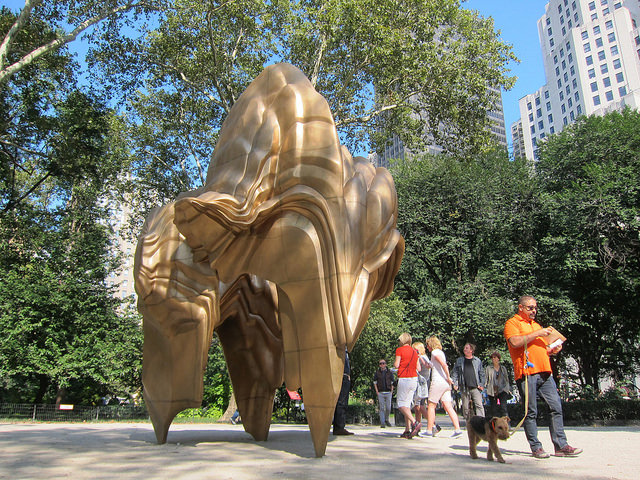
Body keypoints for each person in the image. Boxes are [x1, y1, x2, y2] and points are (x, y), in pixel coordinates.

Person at [504, 295, 582, 458]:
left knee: (556, 407)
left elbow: (540, 349)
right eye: (530, 307)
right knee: (530, 411)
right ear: (520, 308)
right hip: (527, 373)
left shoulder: (536, 325)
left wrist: (552, 350)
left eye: (535, 308)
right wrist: (538, 332)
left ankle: (561, 445)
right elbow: (515, 342)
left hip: (545, 372)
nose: (534, 310)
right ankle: (536, 447)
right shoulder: (513, 323)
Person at [424, 336, 463, 438]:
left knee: (431, 405)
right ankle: (457, 429)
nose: (427, 347)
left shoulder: (434, 352)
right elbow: (434, 365)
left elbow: (444, 365)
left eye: (428, 344)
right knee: (448, 406)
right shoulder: (441, 352)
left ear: (431, 344)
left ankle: (429, 430)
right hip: (445, 384)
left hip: (438, 382)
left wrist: (448, 376)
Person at [393, 332, 422, 439]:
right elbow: (419, 368)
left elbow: (396, 364)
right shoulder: (415, 352)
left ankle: (414, 422)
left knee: (401, 404)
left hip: (404, 378)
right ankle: (407, 429)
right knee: (407, 405)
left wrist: (396, 366)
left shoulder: (399, 350)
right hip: (414, 379)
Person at [451, 342, 486, 420]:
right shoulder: (459, 361)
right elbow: (455, 372)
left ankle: (481, 421)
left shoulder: (477, 361)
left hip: (475, 387)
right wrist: (455, 383)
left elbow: (482, 373)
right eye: (464, 348)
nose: (464, 349)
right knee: (466, 406)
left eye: (466, 348)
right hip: (464, 387)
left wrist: (482, 384)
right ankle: (468, 422)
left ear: (471, 350)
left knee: (479, 405)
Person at [411, 342, 431, 432]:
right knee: (417, 407)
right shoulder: (424, 357)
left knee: (421, 406)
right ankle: (417, 425)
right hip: (424, 383)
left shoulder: (421, 358)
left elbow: (418, 369)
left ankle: (433, 424)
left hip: (423, 384)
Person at [333, 348, 354, 435]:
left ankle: (338, 426)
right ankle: (339, 427)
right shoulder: (341, 350)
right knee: (341, 400)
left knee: (340, 400)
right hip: (342, 374)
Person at [484, 351, 511, 417]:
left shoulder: (503, 368)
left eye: (495, 357)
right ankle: (495, 425)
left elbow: (506, 379)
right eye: (492, 358)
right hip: (492, 391)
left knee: (503, 408)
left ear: (498, 358)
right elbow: (486, 379)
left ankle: (506, 424)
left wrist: (507, 389)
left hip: (502, 390)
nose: (493, 359)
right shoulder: (488, 368)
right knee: (494, 409)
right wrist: (485, 387)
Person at [373, 358, 394, 427]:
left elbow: (392, 382)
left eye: (383, 363)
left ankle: (386, 419)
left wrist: (391, 391)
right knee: (382, 407)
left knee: (388, 407)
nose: (382, 365)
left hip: (388, 392)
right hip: (381, 392)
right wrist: (377, 391)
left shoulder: (389, 372)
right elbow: (375, 382)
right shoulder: (377, 373)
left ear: (386, 364)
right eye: (380, 363)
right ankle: (382, 422)